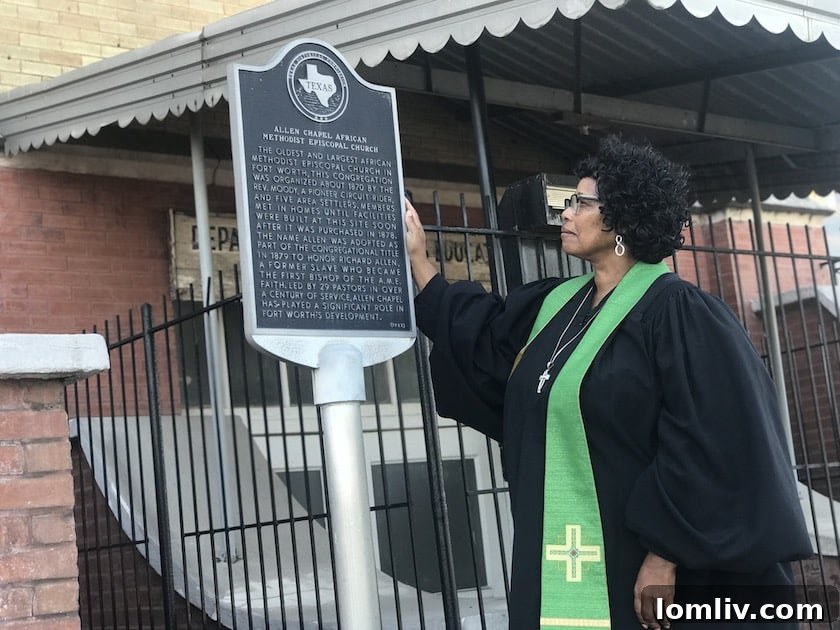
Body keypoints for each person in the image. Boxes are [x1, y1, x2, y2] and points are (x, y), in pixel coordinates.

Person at [404, 136, 812, 629]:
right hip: (557, 546)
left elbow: (718, 442)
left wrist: (667, 554)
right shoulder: (555, 306)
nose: (566, 214)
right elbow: (477, 332)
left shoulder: (679, 314)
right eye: (567, 203)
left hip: (642, 557)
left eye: (579, 203)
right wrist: (421, 259)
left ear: (620, 218)